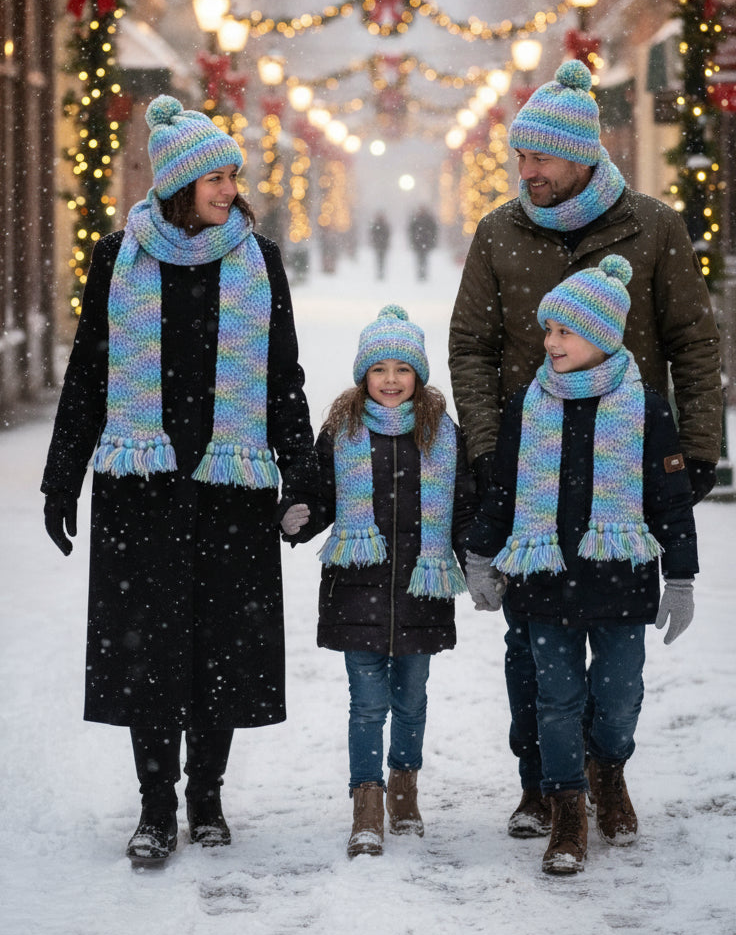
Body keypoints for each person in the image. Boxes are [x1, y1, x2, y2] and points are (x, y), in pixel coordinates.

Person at [448, 58, 721, 839]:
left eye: (539, 157)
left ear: (580, 155)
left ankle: (607, 769)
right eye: (519, 157)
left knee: (618, 648)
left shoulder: (652, 227)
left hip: (621, 475)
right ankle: (543, 782)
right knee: (531, 643)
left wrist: (697, 447)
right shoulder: (499, 231)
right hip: (529, 475)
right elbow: (471, 345)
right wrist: (490, 448)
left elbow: (693, 340)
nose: (525, 171)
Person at [42, 95, 318, 866]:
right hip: (143, 483)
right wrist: (62, 478)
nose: (230, 189)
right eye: (215, 178)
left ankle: (208, 796)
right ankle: (156, 806)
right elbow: (91, 373)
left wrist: (301, 474)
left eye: (233, 176)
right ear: (177, 185)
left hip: (230, 479)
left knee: (222, 645)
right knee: (150, 648)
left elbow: (281, 378)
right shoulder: (118, 258)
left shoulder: (257, 261)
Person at [465, 255, 698, 874]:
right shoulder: (528, 404)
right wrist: (481, 555)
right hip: (544, 582)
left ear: (603, 336)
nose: (550, 342)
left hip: (620, 582)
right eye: (548, 330)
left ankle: (609, 772)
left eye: (565, 331)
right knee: (557, 700)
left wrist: (680, 577)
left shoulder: (646, 407)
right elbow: (504, 491)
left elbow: (669, 500)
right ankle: (567, 808)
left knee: (619, 697)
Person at [283, 303, 476, 858]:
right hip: (356, 593)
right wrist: (297, 516)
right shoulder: (341, 432)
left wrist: (476, 559)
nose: (391, 381)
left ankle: (404, 790)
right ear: (363, 375)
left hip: (422, 591)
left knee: (411, 701)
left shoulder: (442, 435)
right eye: (379, 369)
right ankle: (366, 804)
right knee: (367, 704)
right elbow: (320, 496)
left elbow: (462, 509)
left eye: (402, 369)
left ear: (419, 375)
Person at [408, 205, 438, 280]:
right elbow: (411, 231)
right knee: (420, 258)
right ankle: (421, 273)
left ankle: (423, 273)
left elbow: (434, 231)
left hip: (425, 243)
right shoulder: (417, 220)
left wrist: (432, 241)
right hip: (419, 243)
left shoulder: (426, 220)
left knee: (424, 258)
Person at [368, 212, 391, 279]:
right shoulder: (379, 225)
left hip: (381, 245)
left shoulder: (380, 225)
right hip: (379, 245)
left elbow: (387, 235)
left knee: (381, 259)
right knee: (379, 259)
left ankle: (381, 272)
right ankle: (380, 272)